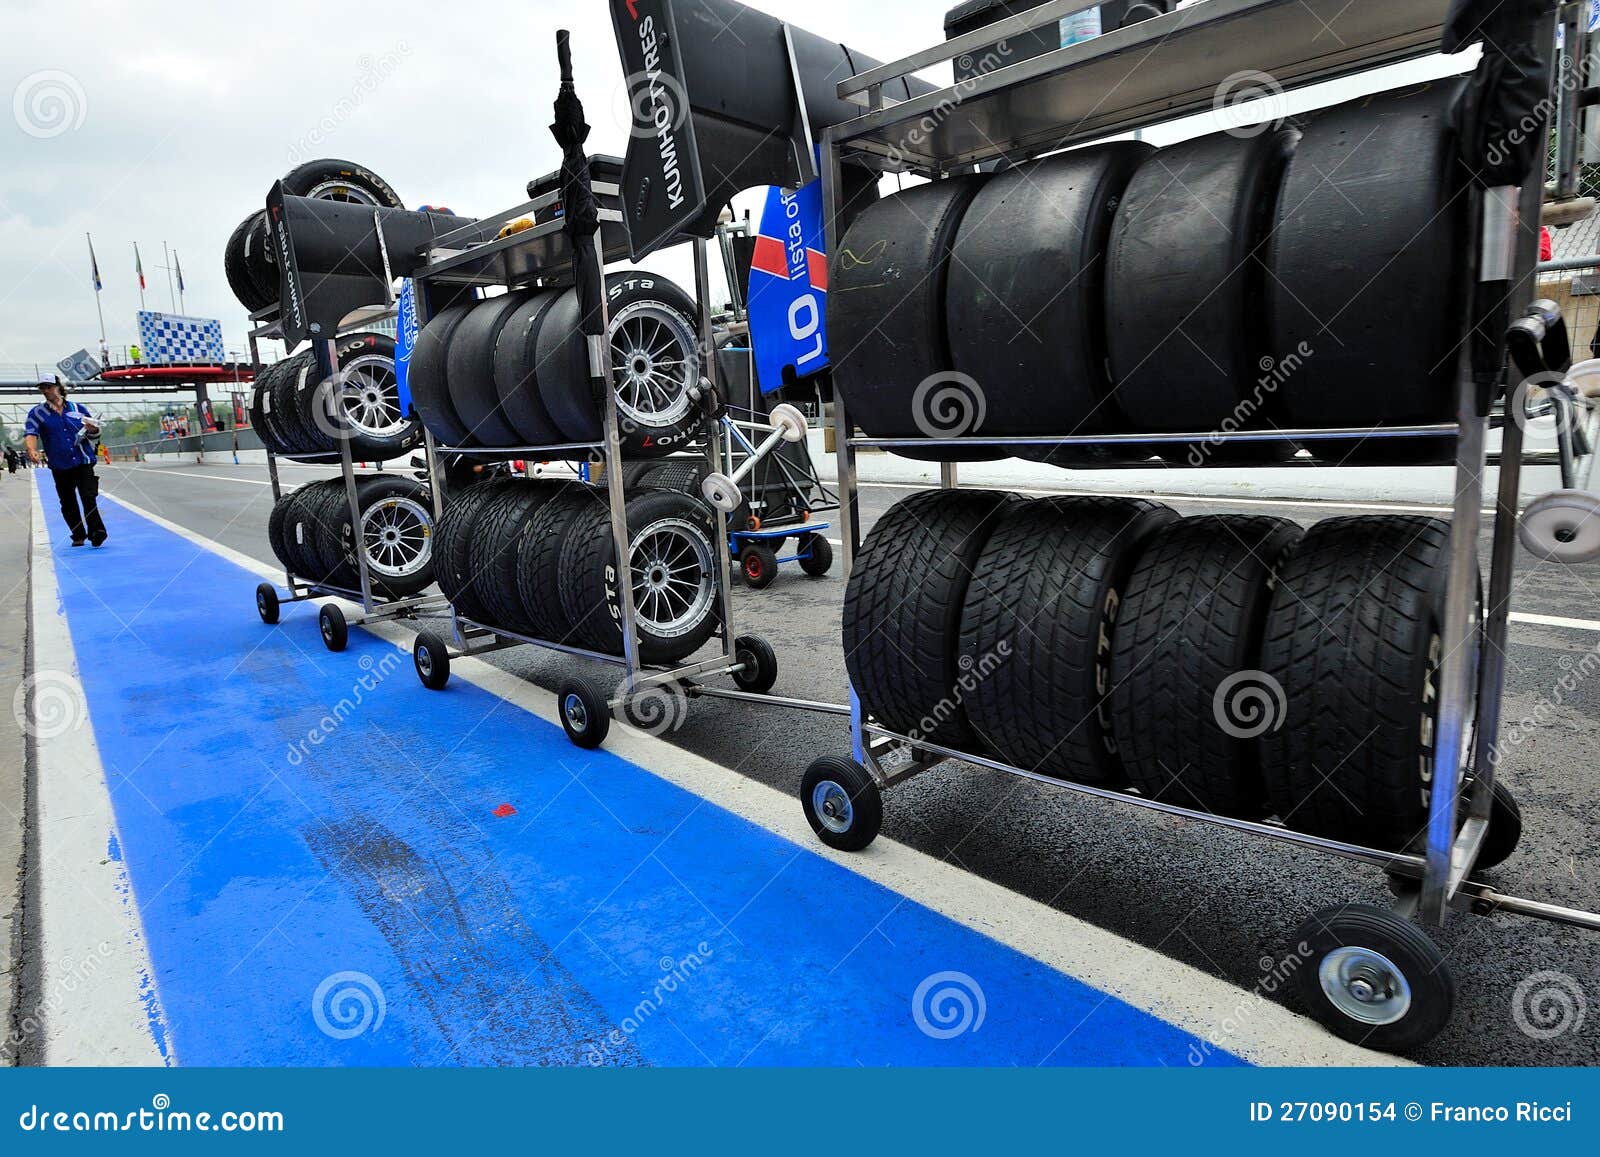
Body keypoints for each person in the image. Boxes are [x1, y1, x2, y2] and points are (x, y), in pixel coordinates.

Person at [24, 375, 108, 547]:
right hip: (60, 465)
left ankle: (97, 531)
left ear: (58, 387)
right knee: (68, 502)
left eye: (48, 386)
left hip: (83, 461)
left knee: (88, 496)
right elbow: (31, 433)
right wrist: (32, 449)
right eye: (42, 388)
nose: (45, 391)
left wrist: (93, 429)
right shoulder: (37, 413)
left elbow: (95, 433)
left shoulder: (78, 408)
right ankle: (78, 534)